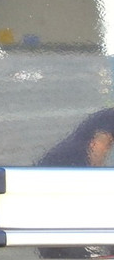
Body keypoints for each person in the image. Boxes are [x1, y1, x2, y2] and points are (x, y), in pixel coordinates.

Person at [35, 108, 114, 260]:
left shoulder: (103, 118)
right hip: (63, 181)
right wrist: (98, 182)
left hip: (53, 182)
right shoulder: (110, 118)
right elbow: (97, 147)